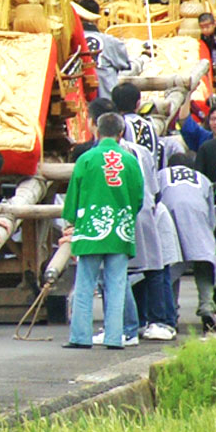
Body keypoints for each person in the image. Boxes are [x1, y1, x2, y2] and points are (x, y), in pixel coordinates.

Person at [61, 112, 144, 349]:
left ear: (96, 131)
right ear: (121, 134)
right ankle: (114, 337)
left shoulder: (87, 159)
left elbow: (73, 195)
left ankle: (80, 336)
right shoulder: (130, 161)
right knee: (116, 283)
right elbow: (139, 197)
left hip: (90, 228)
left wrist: (70, 223)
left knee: (85, 282)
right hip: (120, 229)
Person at [158, 150, 216, 330]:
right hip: (198, 217)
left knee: (171, 264)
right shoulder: (202, 178)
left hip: (170, 217)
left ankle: (171, 312)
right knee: (204, 263)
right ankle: (207, 307)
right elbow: (212, 214)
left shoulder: (161, 175)